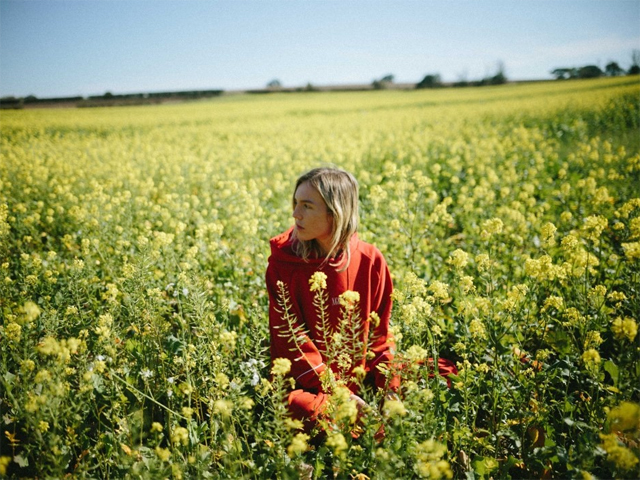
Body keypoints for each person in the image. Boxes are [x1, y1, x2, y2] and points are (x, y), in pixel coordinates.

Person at [265, 166, 455, 433]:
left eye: (306, 206)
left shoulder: (369, 259)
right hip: (311, 384)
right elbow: (292, 345)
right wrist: (339, 394)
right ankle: (368, 428)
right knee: (300, 408)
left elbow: (381, 336)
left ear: (336, 212)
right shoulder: (283, 265)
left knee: (442, 375)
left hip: (362, 374)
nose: (295, 214)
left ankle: (371, 420)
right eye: (296, 203)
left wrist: (390, 388)